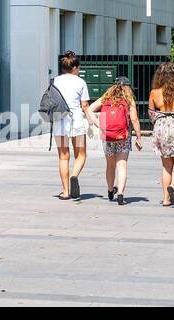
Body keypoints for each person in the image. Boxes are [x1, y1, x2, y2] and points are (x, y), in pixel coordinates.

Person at [86, 77, 142, 205]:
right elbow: (134, 120)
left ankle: (110, 190)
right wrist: (138, 137)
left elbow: (89, 109)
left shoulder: (106, 98)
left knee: (110, 165)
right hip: (123, 136)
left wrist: (98, 123)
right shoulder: (129, 100)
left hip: (107, 135)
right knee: (121, 164)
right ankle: (121, 193)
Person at [51, 50, 93, 200]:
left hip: (59, 121)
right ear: (75, 67)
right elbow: (85, 106)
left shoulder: (55, 81)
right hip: (76, 121)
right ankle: (74, 175)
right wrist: (91, 121)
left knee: (63, 157)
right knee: (81, 154)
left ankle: (65, 191)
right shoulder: (80, 82)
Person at [148, 61, 174, 207]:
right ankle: (173, 185)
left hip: (161, 128)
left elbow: (151, 113)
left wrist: (159, 122)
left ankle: (166, 199)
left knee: (166, 165)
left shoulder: (154, 92)